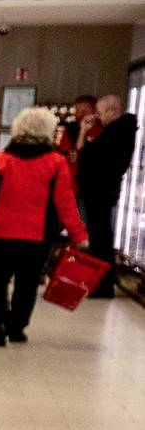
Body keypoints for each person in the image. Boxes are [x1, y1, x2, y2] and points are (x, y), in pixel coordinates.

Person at [0, 107, 85, 346]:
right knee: (26, 284)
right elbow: (65, 203)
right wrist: (78, 235)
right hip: (36, 236)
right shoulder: (56, 163)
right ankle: (16, 328)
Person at [77, 93, 133, 289]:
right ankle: (100, 281)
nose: (98, 117)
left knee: (100, 238)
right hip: (100, 191)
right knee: (99, 236)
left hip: (99, 192)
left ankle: (102, 283)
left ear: (112, 111)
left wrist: (84, 134)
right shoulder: (118, 132)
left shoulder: (118, 133)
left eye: (100, 112)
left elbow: (84, 156)